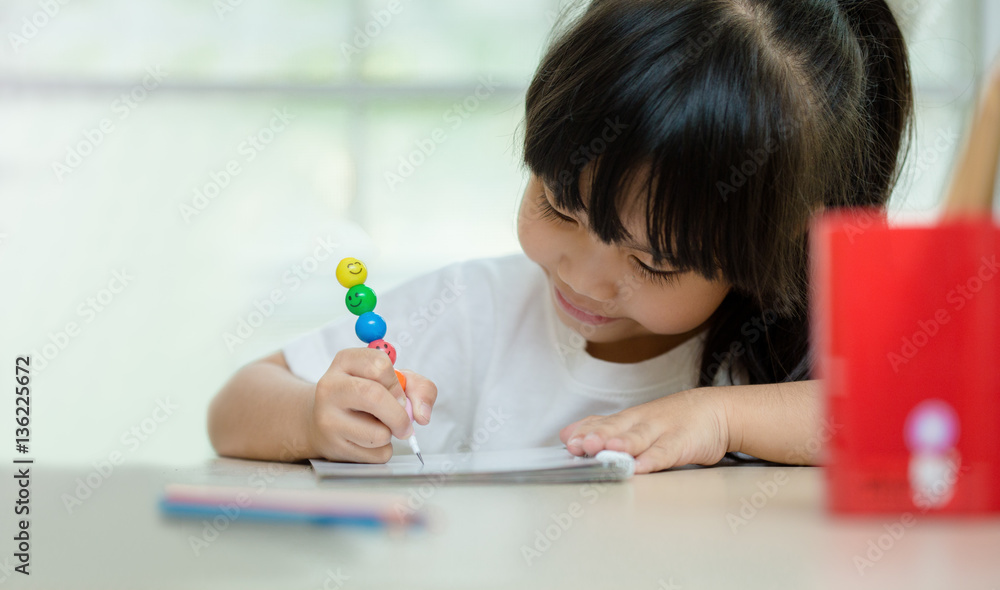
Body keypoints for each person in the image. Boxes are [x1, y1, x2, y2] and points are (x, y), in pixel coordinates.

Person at [208, 0, 914, 474]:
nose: (586, 276)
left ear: (774, 249)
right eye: (559, 205)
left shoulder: (791, 343)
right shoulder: (474, 312)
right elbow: (236, 406)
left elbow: (916, 419)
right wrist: (312, 416)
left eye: (654, 261)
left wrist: (722, 417)